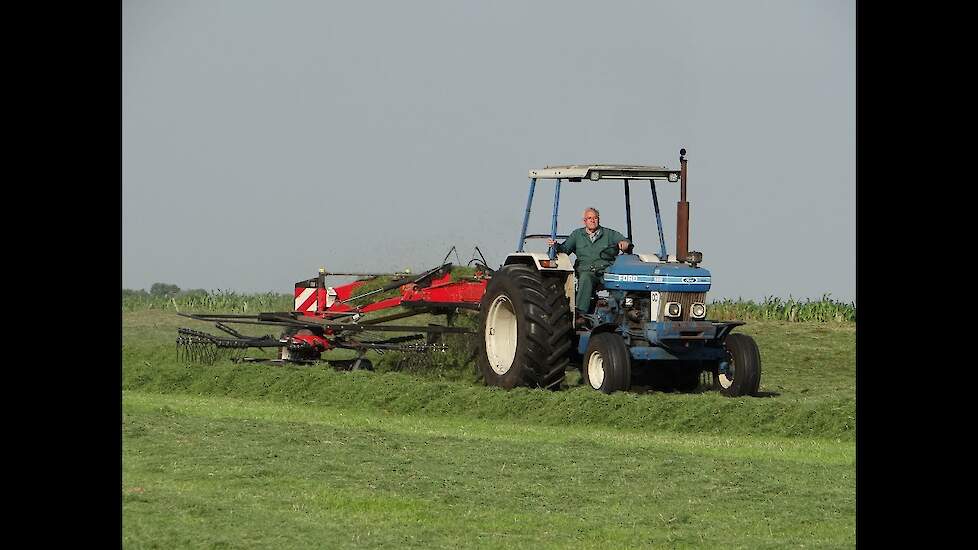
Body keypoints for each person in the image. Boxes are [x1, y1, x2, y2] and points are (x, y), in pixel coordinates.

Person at [547, 207, 630, 324]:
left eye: (595, 218)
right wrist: (555, 246)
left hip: (606, 270)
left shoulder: (609, 234)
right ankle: (581, 313)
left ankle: (622, 311)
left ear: (599, 220)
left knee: (619, 281)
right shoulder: (577, 235)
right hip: (587, 271)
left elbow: (626, 242)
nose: (593, 220)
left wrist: (625, 244)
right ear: (584, 221)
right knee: (586, 278)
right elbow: (564, 249)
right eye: (589, 218)